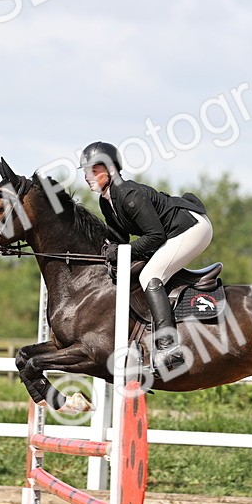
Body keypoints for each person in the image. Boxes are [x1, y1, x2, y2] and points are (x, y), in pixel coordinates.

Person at [79, 141, 213, 370]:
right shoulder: (106, 201)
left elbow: (155, 236)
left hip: (191, 228)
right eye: (85, 171)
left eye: (94, 169)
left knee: (150, 275)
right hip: (172, 232)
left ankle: (169, 348)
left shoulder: (128, 193)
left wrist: (123, 251)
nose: (87, 175)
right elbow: (120, 239)